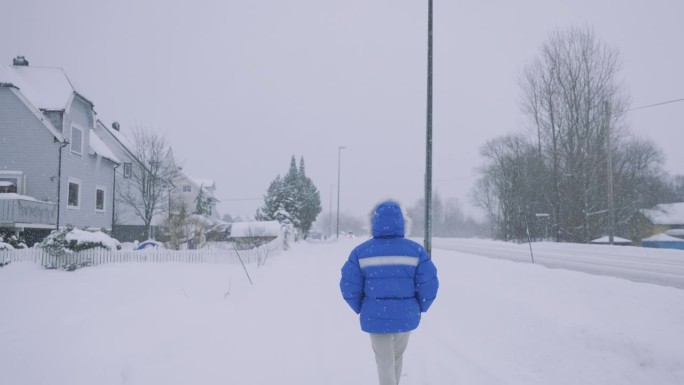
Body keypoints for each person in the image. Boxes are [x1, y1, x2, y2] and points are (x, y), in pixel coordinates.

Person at [340, 200, 439, 385]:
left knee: (384, 361)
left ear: (373, 223)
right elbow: (429, 284)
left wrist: (362, 306)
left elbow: (349, 286)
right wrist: (419, 305)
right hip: (406, 314)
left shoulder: (361, 252)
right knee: (396, 356)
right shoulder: (416, 251)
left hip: (375, 314)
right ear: (402, 222)